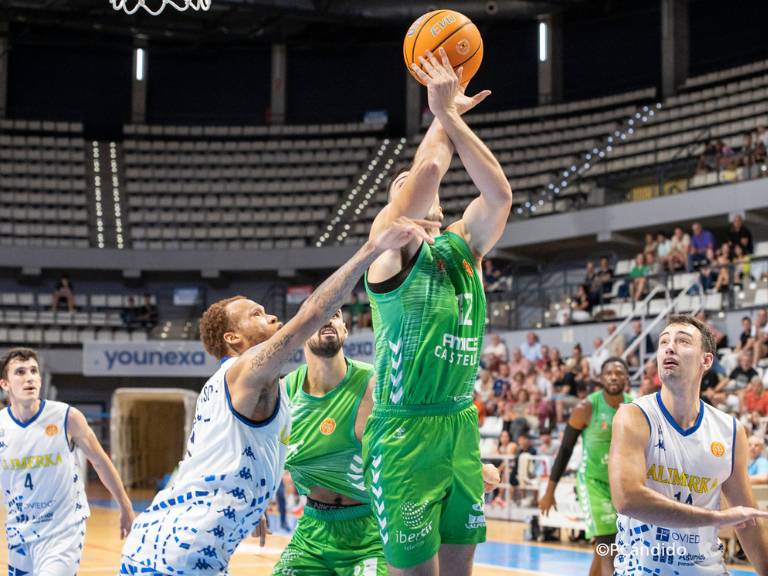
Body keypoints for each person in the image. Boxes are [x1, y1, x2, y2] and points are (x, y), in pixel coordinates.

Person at [119, 216, 435, 574]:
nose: (272, 318)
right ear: (233, 339)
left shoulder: (242, 387)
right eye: (257, 314)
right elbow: (312, 314)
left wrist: (251, 506)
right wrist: (372, 248)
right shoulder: (247, 370)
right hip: (181, 553)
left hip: (175, 544)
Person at [364, 48, 511, 576]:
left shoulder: (463, 246)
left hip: (459, 422)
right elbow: (426, 168)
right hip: (404, 431)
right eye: (397, 187)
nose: (412, 182)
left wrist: (449, 115)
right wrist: (442, 110)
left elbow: (498, 193)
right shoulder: (388, 255)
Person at [609, 315, 768, 574]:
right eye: (664, 342)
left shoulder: (730, 430)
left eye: (683, 341)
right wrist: (715, 518)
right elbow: (628, 499)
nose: (669, 347)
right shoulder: (634, 416)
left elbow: (747, 522)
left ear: (706, 360)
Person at [0, 347, 134, 575]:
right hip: (20, 534)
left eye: (33, 371)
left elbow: (100, 462)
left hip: (63, 531)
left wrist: (125, 504)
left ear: (41, 379)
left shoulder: (67, 417)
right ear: (5, 384)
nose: (29, 377)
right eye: (20, 372)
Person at [273, 309, 385, 575]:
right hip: (313, 530)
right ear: (299, 332)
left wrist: (464, 469)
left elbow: (418, 438)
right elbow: (256, 454)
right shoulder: (284, 392)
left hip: (371, 531)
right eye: (318, 314)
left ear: (345, 330)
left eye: (334, 314)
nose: (327, 319)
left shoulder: (376, 385)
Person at [539, 357, 633, 576]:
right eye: (609, 373)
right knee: (609, 541)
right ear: (600, 378)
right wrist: (550, 491)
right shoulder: (586, 407)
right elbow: (565, 449)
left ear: (627, 378)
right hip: (593, 482)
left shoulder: (634, 407)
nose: (613, 377)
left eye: (619, 373)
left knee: (607, 547)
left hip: (621, 485)